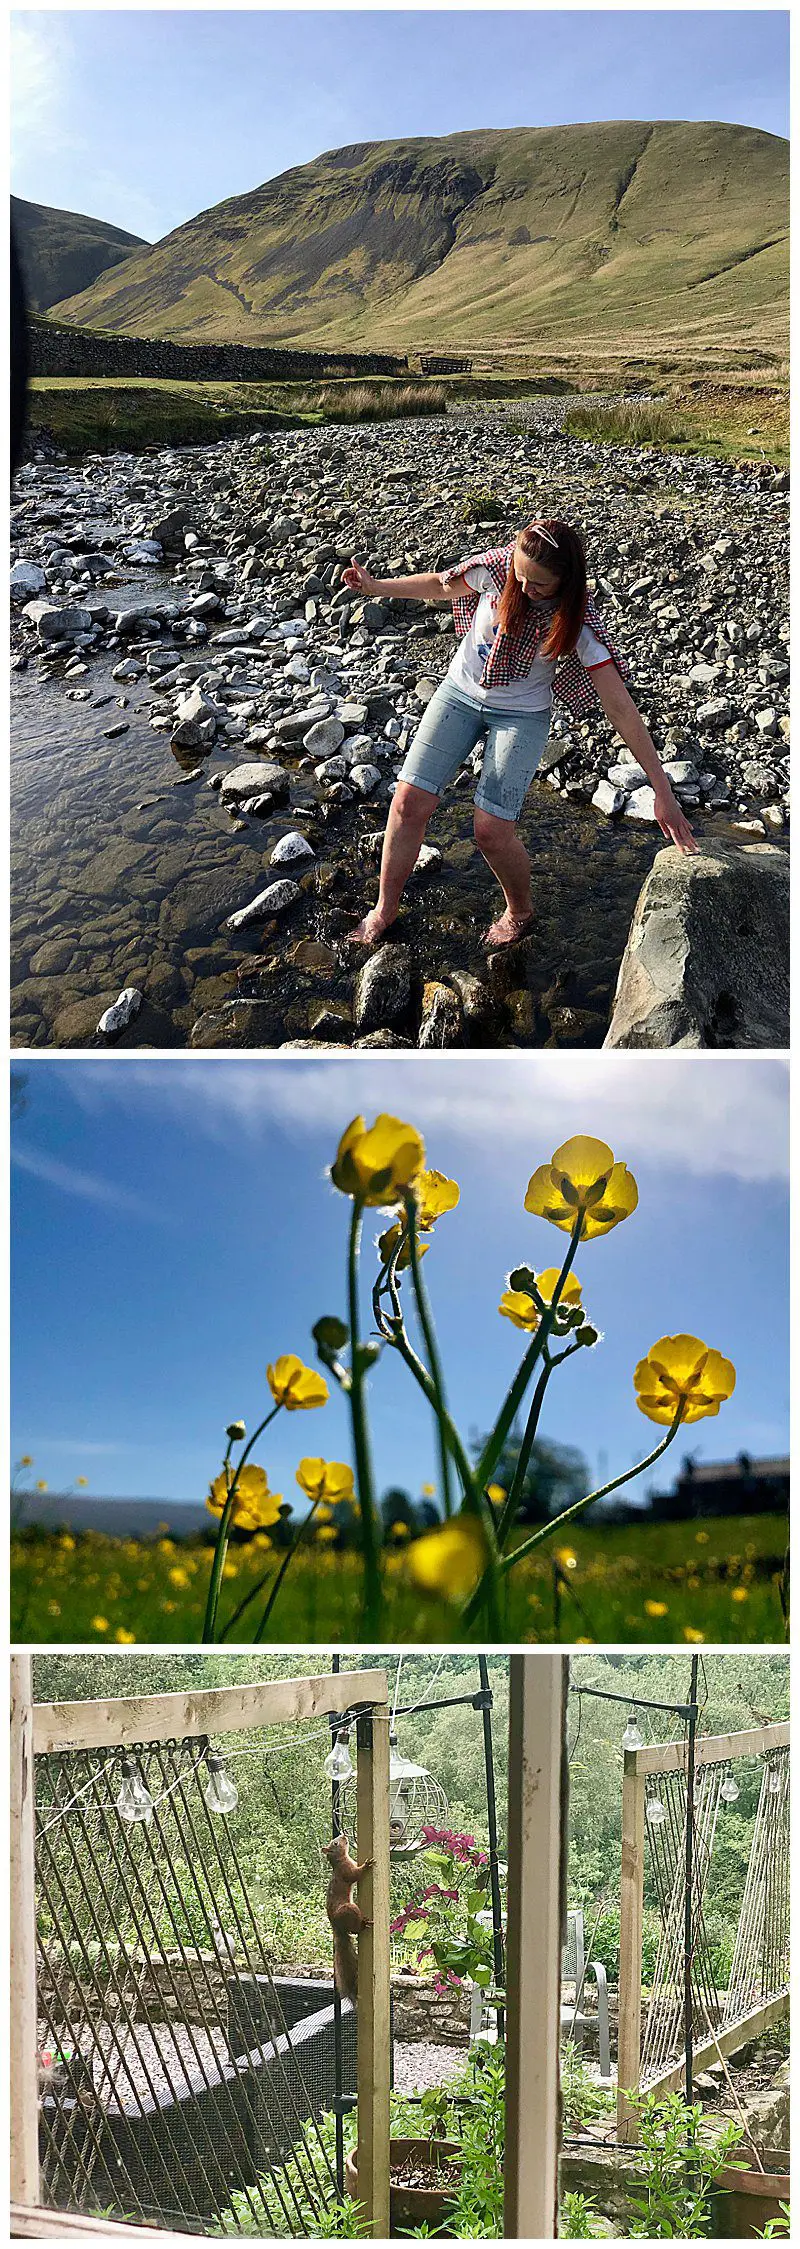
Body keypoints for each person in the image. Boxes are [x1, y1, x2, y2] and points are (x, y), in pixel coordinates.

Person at [343, 518, 698, 949]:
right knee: (407, 803)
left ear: (566, 584)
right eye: (521, 575)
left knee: (490, 829)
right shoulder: (496, 570)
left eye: (539, 586)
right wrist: (377, 586)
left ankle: (520, 910)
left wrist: (663, 791)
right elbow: (440, 585)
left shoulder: (578, 621)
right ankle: (385, 909)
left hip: (521, 715)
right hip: (460, 694)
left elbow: (620, 708)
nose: (525, 589)